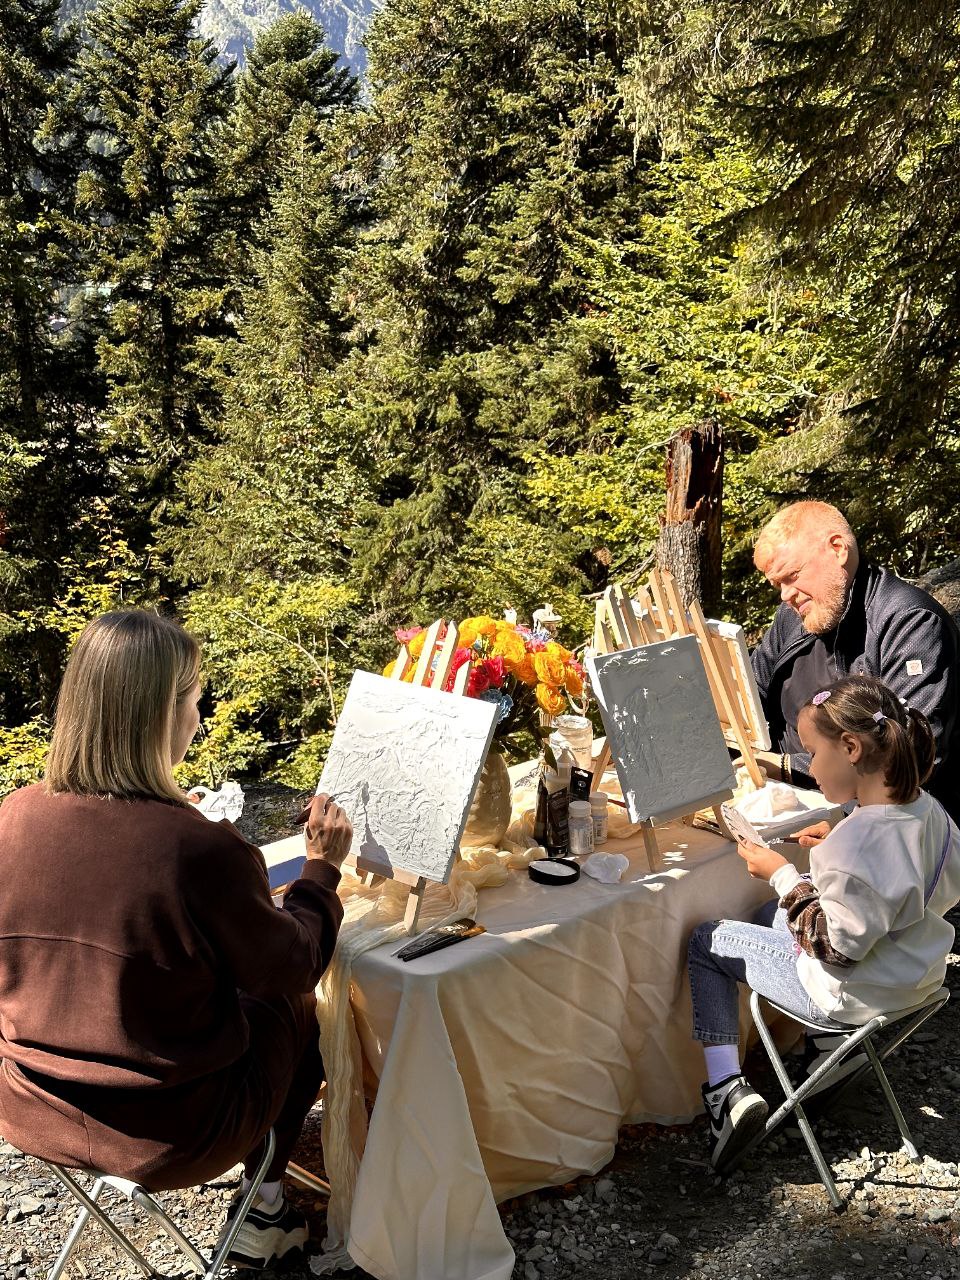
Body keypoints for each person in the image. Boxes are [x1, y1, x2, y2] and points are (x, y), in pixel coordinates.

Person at [0, 610, 349, 1269]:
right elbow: (295, 963)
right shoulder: (196, 846)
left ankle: (266, 1204)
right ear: (164, 712)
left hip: (30, 1110)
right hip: (173, 1137)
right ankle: (266, 1207)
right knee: (296, 1007)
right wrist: (321, 871)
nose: (199, 715)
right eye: (195, 700)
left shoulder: (10, 818)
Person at [687, 674, 960, 1171]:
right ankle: (830, 1051)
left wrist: (782, 873)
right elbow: (916, 879)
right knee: (768, 917)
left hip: (851, 992)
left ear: (851, 747)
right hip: (915, 976)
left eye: (812, 752)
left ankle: (725, 1092)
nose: (810, 765)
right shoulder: (930, 810)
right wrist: (839, 830)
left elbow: (836, 947)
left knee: (709, 941)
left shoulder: (856, 846)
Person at [750, 501, 960, 821]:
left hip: (887, 828)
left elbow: (907, 753)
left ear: (838, 549)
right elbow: (750, 693)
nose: (785, 595)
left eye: (792, 576)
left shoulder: (911, 622)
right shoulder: (792, 618)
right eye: (778, 584)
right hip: (781, 801)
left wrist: (785, 769)